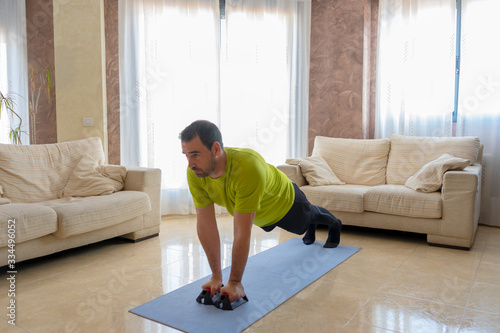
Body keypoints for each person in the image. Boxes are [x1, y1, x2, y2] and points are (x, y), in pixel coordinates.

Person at [180, 120, 342, 303]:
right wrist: (216, 276)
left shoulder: (247, 166)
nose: (190, 164)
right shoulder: (196, 173)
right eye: (186, 155)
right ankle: (311, 226)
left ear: (216, 149)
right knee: (306, 224)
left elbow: (241, 232)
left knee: (307, 218)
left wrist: (234, 282)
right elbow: (206, 225)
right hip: (261, 216)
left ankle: (335, 224)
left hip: (285, 202)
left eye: (195, 154)